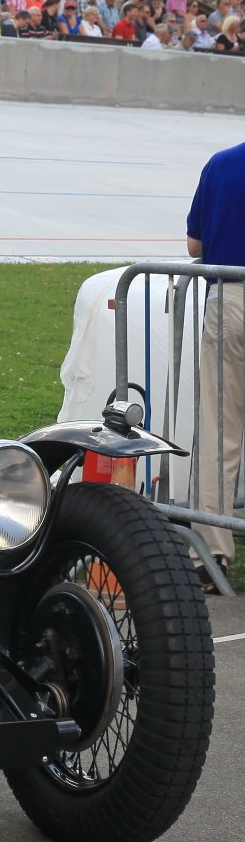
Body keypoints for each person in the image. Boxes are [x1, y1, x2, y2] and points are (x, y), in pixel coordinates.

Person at [185, 140, 245, 581]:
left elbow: (195, 244)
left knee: (219, 428)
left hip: (229, 297)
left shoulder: (222, 164)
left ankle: (211, 554)